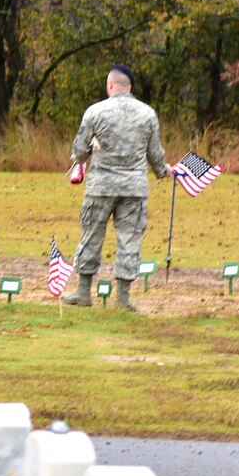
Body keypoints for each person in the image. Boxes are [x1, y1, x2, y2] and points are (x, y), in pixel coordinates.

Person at [67, 65, 168, 312]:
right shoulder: (147, 114)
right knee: (130, 239)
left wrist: (79, 160)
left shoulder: (95, 111)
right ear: (129, 87)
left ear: (110, 85)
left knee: (91, 234)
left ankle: (83, 291)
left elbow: (80, 151)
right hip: (134, 188)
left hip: (101, 186)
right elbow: (155, 154)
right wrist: (164, 170)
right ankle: (123, 298)